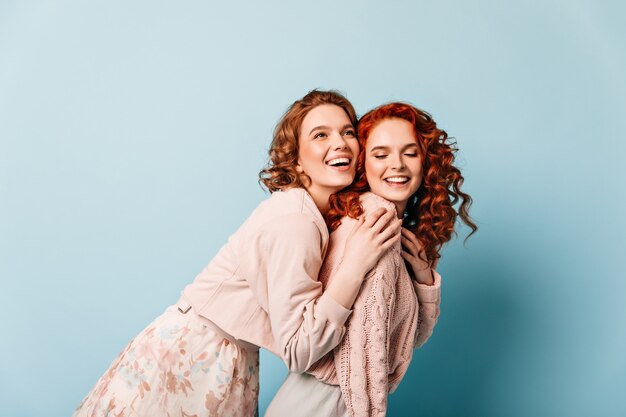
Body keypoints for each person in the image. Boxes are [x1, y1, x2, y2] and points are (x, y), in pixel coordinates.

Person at [72, 90, 402, 417]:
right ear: (297, 161)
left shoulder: (310, 215)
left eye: (347, 132)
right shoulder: (297, 219)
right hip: (196, 356)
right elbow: (300, 351)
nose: (340, 142)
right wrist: (355, 266)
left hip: (220, 356)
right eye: (320, 135)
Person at [266, 102, 477, 417]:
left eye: (410, 152)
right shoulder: (374, 219)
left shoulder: (386, 225)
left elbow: (408, 338)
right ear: (362, 164)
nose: (397, 165)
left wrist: (423, 279)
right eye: (380, 155)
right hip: (323, 405)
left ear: (426, 161)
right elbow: (363, 357)